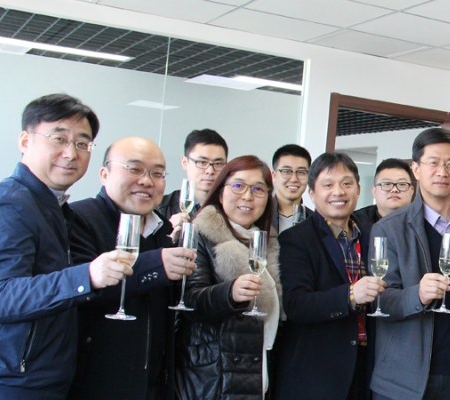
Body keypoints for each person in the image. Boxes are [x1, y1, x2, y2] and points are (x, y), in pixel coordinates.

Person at [0, 94, 130, 398]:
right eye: (59, 139)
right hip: (12, 382)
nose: (71, 153)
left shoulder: (53, 206)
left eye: (82, 143)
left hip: (45, 378)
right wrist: (86, 276)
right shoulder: (10, 205)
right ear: (25, 141)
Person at [68, 137, 197, 399]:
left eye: (157, 173)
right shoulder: (79, 218)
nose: (147, 181)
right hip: (97, 383)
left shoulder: (163, 229)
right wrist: (156, 265)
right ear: (104, 174)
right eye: (135, 169)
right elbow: (80, 290)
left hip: (153, 383)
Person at [370, 128, 450, 400]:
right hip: (404, 380)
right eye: (433, 163)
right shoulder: (389, 228)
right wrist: (417, 295)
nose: (442, 171)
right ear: (416, 169)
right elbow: (380, 301)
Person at [274, 152, 385, 399]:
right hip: (316, 374)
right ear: (312, 193)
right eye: (328, 185)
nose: (338, 192)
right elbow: (296, 304)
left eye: (347, 183)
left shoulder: (372, 236)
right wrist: (350, 295)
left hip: (364, 368)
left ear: (358, 189)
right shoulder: (296, 239)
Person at [176, 155, 281, 399]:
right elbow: (190, 300)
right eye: (238, 185)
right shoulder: (199, 234)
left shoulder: (266, 241)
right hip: (214, 374)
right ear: (220, 192)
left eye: (258, 189)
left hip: (257, 368)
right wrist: (230, 293)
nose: (248, 196)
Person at [157, 129, 228, 231]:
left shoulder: (233, 210)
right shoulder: (160, 208)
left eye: (218, 164)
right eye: (202, 162)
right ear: (185, 162)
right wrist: (165, 232)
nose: (210, 171)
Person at [352, 158, 415, 240]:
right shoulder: (355, 223)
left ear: (411, 191)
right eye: (387, 184)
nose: (394, 189)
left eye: (402, 184)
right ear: (374, 191)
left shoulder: (423, 222)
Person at [271, 144, 312, 233]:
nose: (294, 179)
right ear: (274, 176)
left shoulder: (317, 222)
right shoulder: (259, 216)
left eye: (301, 172)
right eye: (286, 171)